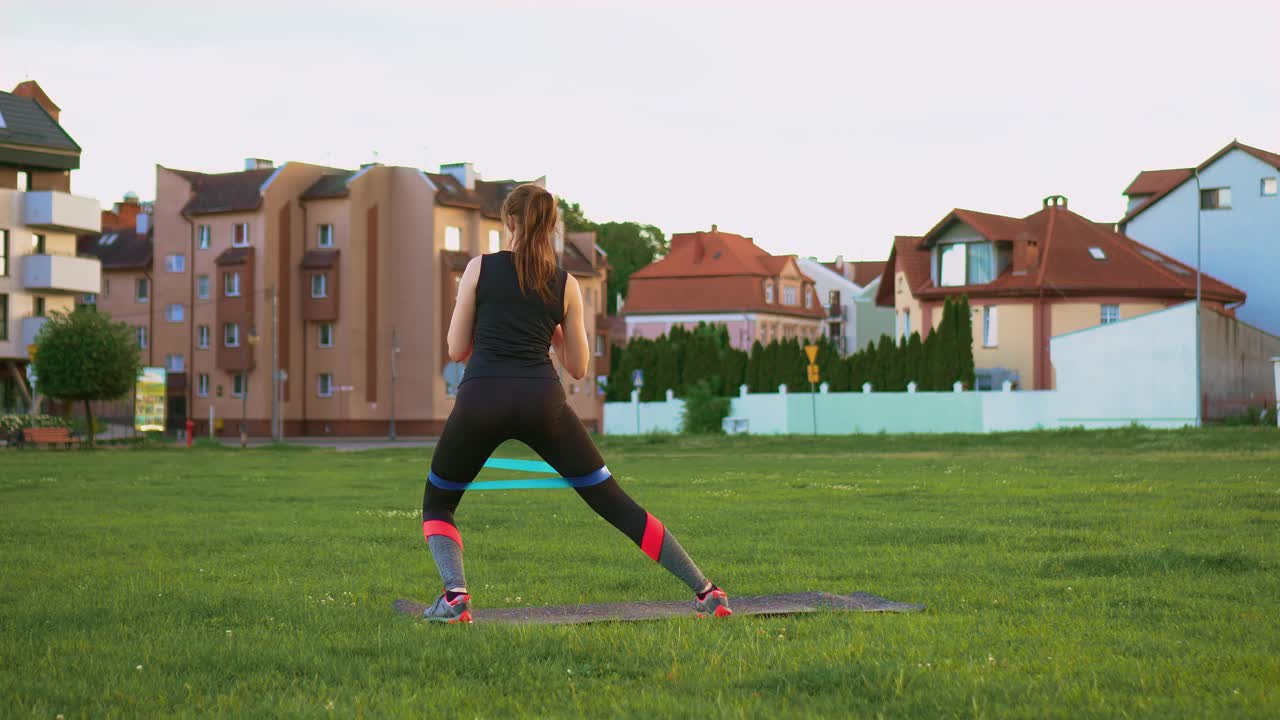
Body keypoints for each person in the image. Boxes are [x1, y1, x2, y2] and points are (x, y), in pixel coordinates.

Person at [420, 183, 731, 624]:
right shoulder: (565, 283)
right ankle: (706, 590)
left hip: (481, 398)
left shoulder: (477, 269)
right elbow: (580, 367)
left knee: (438, 504)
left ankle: (455, 599)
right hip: (542, 401)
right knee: (613, 501)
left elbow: (455, 348)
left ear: (508, 222)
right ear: (551, 227)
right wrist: (555, 331)